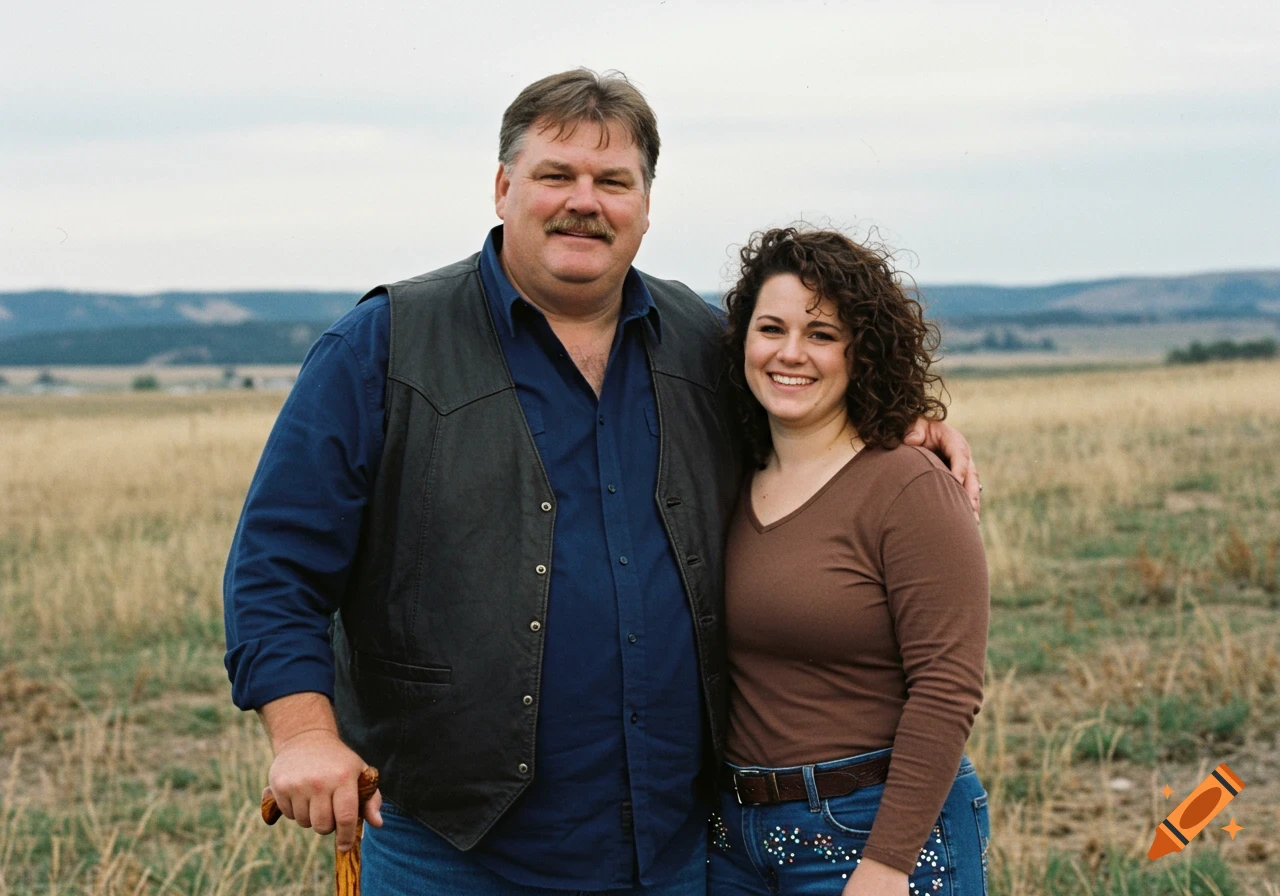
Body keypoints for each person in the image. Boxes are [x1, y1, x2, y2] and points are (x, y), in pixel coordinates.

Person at [222, 71, 980, 896]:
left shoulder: (701, 342)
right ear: (504, 186)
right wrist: (301, 735)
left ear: (646, 206)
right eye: (556, 175)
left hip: (672, 848)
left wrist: (902, 426)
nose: (585, 201)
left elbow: (807, 398)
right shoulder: (383, 345)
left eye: (613, 181)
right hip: (453, 849)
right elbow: (276, 566)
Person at [707, 228, 990, 896]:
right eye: (771, 328)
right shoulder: (725, 473)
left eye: (823, 334)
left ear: (863, 351)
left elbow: (947, 687)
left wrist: (888, 864)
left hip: (870, 829)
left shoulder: (908, 484)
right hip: (733, 837)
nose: (791, 353)